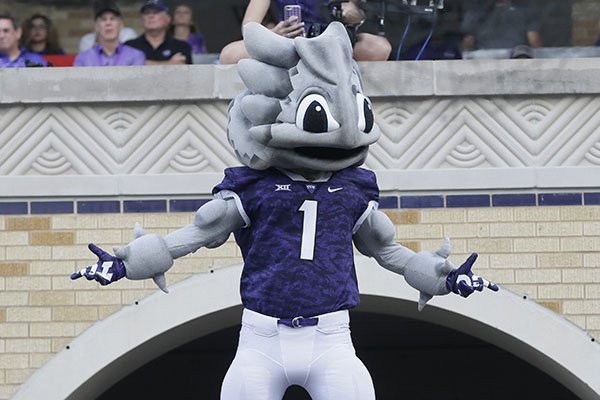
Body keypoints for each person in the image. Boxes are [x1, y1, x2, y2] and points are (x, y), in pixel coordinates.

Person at [73, 22, 497, 400]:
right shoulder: (253, 186)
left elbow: (388, 251)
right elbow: (195, 235)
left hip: (331, 336)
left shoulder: (352, 187)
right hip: (261, 337)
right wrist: (125, 263)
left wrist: (443, 276)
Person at [219, 0, 392, 64]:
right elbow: (249, 26)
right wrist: (273, 34)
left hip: (332, 40)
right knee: (230, 54)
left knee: (379, 47)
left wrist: (352, 14)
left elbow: (358, 13)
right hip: (289, 41)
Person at [74, 0, 146, 67]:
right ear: (96, 26)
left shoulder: (136, 56)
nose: (108, 23)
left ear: (121, 25)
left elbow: (136, 80)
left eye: (112, 19)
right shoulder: (83, 58)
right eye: (103, 19)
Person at [125, 0, 192, 65]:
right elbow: (125, 65)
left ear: (168, 19)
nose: (151, 16)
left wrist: (140, 62)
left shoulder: (181, 47)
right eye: (147, 13)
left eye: (156, 12)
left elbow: (186, 73)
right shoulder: (129, 46)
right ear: (142, 19)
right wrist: (170, 63)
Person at [461, 0, 542, 51]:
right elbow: (534, 40)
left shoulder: (474, 13)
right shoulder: (527, 12)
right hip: (516, 60)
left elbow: (468, 42)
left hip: (485, 60)